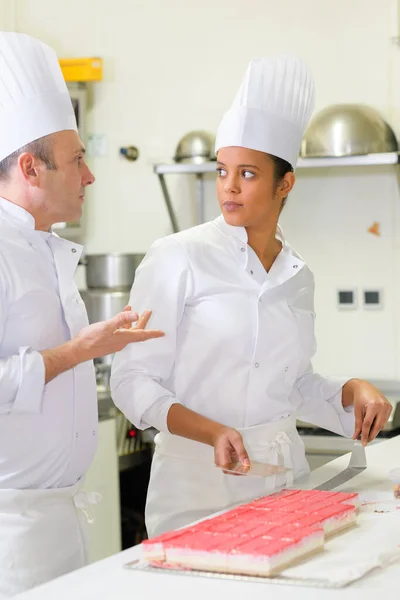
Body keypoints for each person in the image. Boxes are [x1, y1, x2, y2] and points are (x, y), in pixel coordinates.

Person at [110, 56, 392, 538]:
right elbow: (133, 381)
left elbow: (292, 383)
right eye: (222, 171)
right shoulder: (178, 256)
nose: (230, 187)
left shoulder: (297, 273)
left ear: (285, 183)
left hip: (284, 486)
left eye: (248, 174)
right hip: (195, 489)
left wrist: (349, 391)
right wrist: (211, 431)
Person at [0, 32, 163, 597]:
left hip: (61, 521)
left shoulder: (47, 249)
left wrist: (97, 342)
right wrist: (82, 350)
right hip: (10, 536)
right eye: (77, 161)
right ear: (31, 168)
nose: (89, 176)